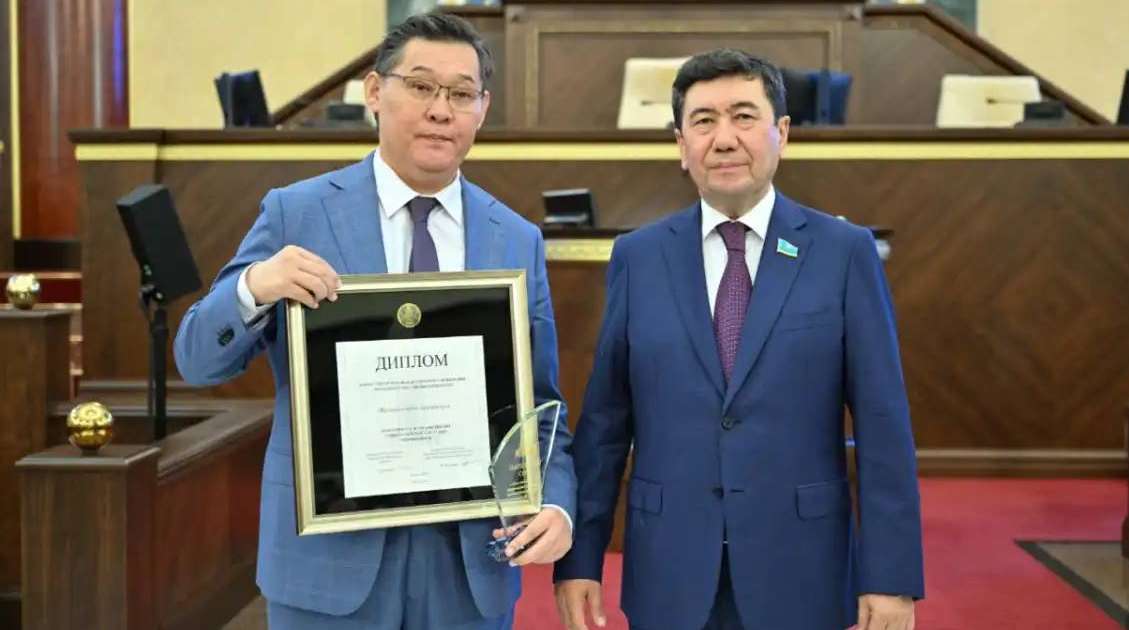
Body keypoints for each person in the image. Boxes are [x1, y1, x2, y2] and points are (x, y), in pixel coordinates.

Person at [173, 13, 575, 630]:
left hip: (467, 572)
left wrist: (558, 505)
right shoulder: (296, 214)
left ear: (482, 110)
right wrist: (254, 288)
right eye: (419, 86)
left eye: (461, 94)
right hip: (328, 570)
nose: (441, 110)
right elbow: (197, 359)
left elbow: (541, 406)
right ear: (373, 93)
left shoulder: (514, 239)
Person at [553, 49, 924, 630]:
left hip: (800, 567)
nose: (723, 138)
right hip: (669, 569)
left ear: (781, 133)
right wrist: (581, 560)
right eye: (703, 121)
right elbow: (604, 424)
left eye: (744, 117)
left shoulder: (843, 254)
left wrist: (891, 576)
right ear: (681, 144)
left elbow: (883, 427)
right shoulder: (639, 257)